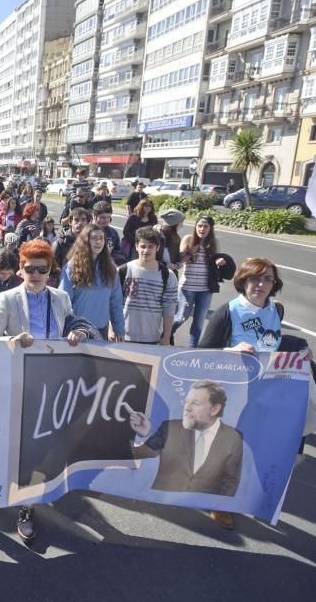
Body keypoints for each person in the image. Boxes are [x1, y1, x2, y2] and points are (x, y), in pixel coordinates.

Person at [0, 239, 100, 543]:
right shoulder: (8, 298)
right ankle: (8, 490)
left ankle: (27, 505)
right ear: (20, 269)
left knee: (41, 446)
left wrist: (79, 333)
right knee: (17, 443)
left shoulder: (61, 298)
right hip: (18, 381)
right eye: (29, 268)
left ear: (50, 271)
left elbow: (76, 326)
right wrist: (12, 339)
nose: (35, 273)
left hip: (54, 382)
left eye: (42, 268)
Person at [129, 382, 244, 527]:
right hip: (166, 493)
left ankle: (219, 509)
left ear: (215, 409)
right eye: (187, 401)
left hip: (208, 493)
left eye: (195, 403)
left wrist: (221, 504)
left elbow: (231, 478)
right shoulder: (170, 427)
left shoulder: (233, 437)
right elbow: (146, 452)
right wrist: (144, 434)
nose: (187, 407)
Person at [60, 223, 126, 340]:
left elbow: (115, 302)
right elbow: (63, 302)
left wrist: (119, 329)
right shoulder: (71, 267)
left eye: (101, 238)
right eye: (94, 238)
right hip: (76, 331)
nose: (98, 242)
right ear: (85, 241)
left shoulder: (110, 269)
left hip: (102, 330)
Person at [121, 226, 178, 345]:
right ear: (136, 246)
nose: (146, 250)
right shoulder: (123, 271)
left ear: (157, 248)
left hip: (152, 337)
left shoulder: (168, 276)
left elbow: (169, 308)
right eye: (143, 246)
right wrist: (112, 329)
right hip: (123, 335)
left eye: (151, 247)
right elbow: (113, 303)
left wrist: (167, 336)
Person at [177, 215, 229, 347]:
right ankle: (165, 338)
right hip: (187, 287)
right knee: (181, 317)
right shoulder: (188, 239)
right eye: (199, 226)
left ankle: (192, 349)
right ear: (195, 227)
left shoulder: (214, 242)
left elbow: (216, 261)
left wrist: (219, 262)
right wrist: (190, 253)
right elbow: (179, 261)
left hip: (205, 288)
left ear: (210, 229)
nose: (202, 229)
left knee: (199, 322)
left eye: (205, 226)